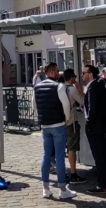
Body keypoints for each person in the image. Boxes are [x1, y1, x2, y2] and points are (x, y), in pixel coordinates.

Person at [33, 62, 77, 200]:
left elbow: (34, 106)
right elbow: (65, 104)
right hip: (58, 124)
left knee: (46, 155)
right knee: (59, 157)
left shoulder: (37, 86)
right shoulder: (59, 86)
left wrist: (40, 119)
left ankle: (46, 188)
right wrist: (67, 118)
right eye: (57, 71)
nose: (58, 73)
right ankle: (63, 189)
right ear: (52, 71)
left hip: (45, 125)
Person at [81, 65, 106, 194]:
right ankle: (105, 182)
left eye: (84, 73)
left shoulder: (94, 87)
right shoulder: (98, 85)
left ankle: (102, 184)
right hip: (100, 124)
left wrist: (89, 123)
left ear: (90, 74)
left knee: (99, 155)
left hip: (95, 126)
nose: (82, 75)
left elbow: (92, 108)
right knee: (102, 154)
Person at [60, 68, 87, 185]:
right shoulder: (72, 89)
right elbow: (84, 101)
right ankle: (73, 173)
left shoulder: (60, 89)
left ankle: (63, 172)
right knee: (72, 148)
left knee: (61, 148)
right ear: (72, 78)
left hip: (61, 122)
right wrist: (80, 88)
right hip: (71, 121)